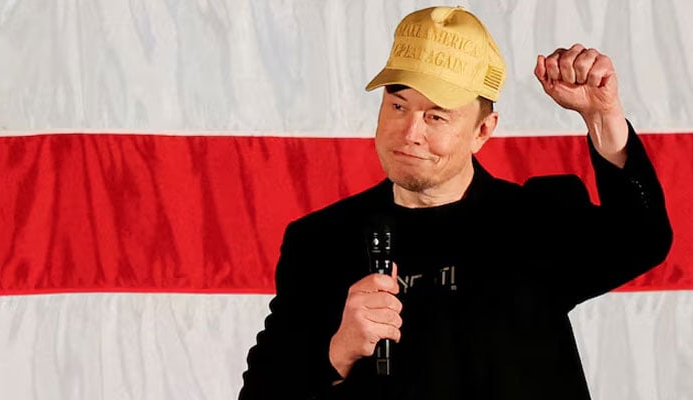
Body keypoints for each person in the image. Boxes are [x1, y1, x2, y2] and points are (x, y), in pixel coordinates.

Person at [238, 5, 672, 400]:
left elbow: (643, 239)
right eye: (397, 105)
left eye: (436, 116)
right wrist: (337, 351)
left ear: (483, 131)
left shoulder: (535, 221)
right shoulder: (321, 240)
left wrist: (601, 116)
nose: (409, 132)